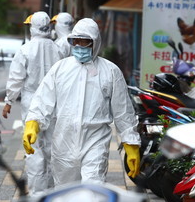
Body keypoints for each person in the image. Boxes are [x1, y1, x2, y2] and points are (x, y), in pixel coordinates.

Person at [23, 18, 141, 185]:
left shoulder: (110, 71)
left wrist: (131, 144)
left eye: (85, 42)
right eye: (75, 41)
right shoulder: (60, 69)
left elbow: (123, 111)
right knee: (64, 195)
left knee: (92, 190)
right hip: (63, 142)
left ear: (95, 43)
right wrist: (33, 124)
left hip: (95, 143)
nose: (79, 46)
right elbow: (43, 100)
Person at [2, 11, 61, 194]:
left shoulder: (25, 50)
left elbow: (15, 79)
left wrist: (9, 101)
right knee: (53, 147)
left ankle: (37, 193)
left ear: (32, 27)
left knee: (33, 147)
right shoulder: (57, 49)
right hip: (53, 102)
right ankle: (55, 191)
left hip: (31, 102)